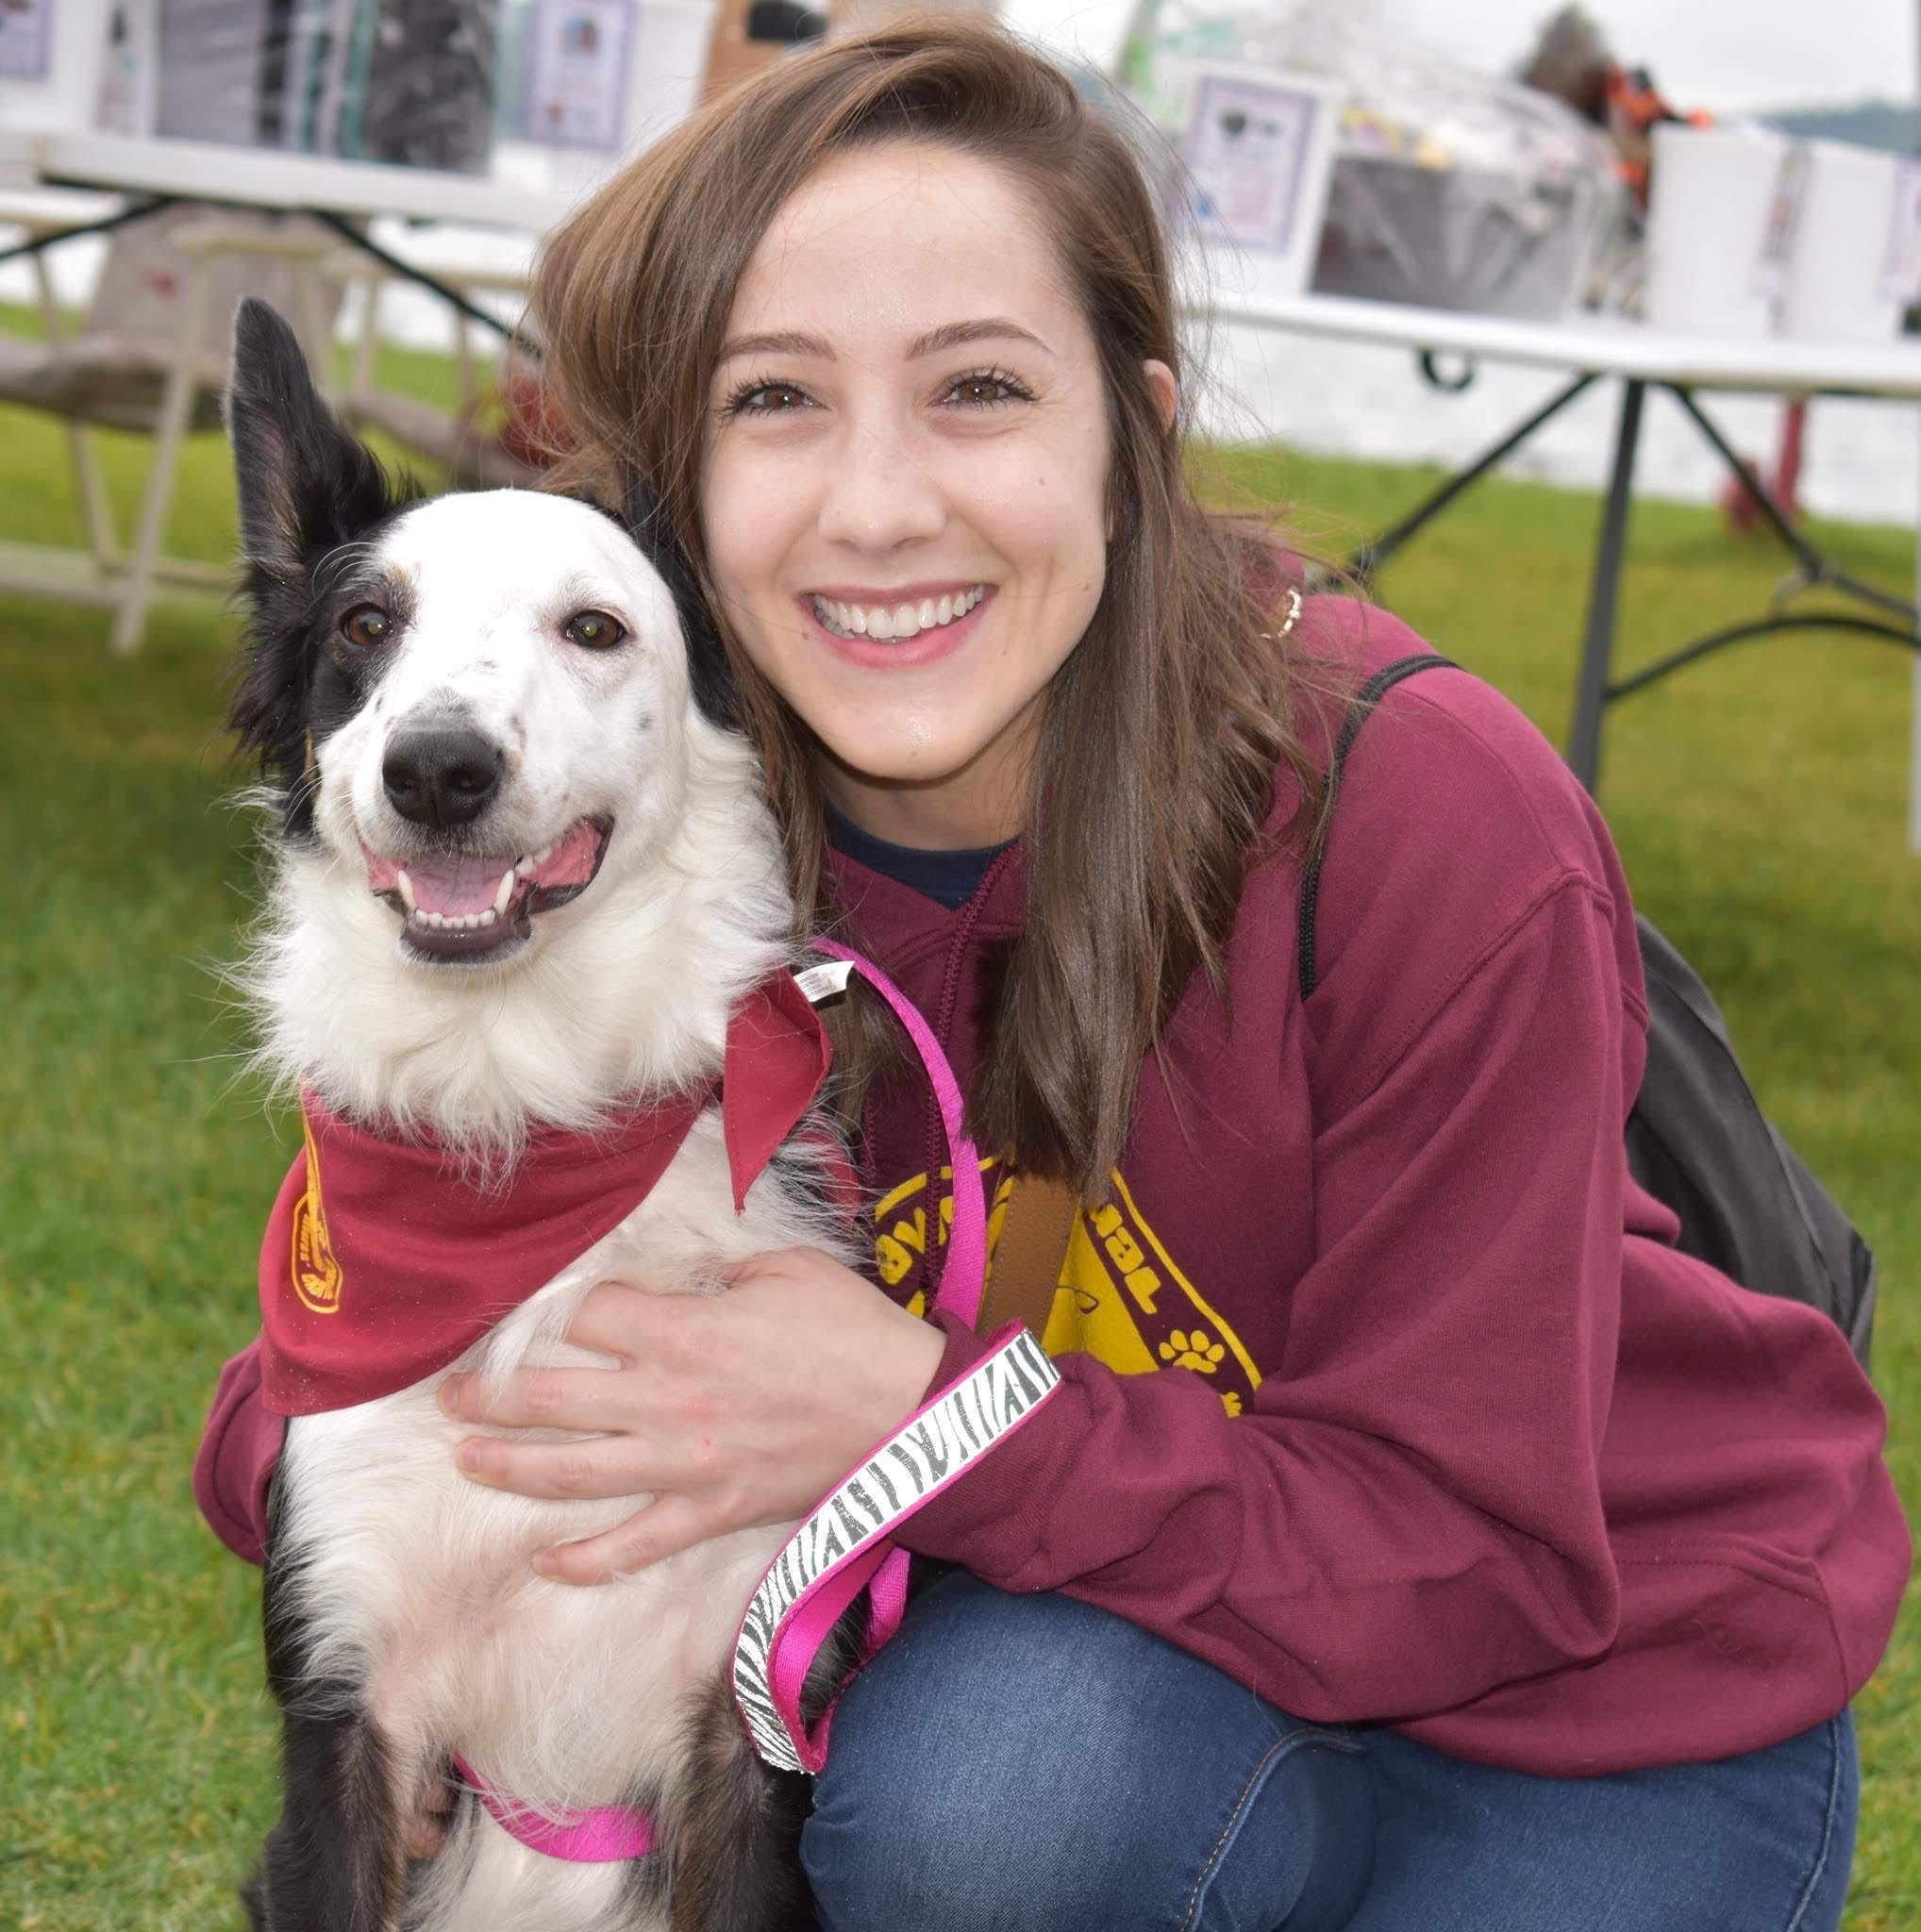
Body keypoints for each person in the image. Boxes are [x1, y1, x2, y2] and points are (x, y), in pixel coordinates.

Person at [196, 17, 1912, 1928]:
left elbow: (1478, 1552)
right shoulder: (673, 786)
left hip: (1595, 1693)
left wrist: (915, 1410)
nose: (876, 505)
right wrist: (376, 1523)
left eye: (980, 390)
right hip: (1144, 1633)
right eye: (776, 399)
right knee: (981, 1804)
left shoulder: (1423, 809)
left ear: (1139, 427)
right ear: (682, 483)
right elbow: (405, 1260)